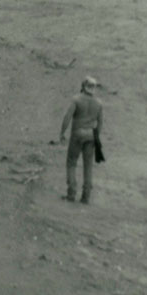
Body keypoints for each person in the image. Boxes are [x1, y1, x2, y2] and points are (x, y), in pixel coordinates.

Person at [59, 76, 103, 204]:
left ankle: (71, 193)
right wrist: (97, 138)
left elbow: (67, 117)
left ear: (83, 86)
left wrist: (62, 132)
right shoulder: (99, 103)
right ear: (94, 88)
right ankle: (86, 196)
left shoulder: (76, 99)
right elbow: (100, 123)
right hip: (91, 135)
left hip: (77, 133)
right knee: (88, 166)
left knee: (71, 163)